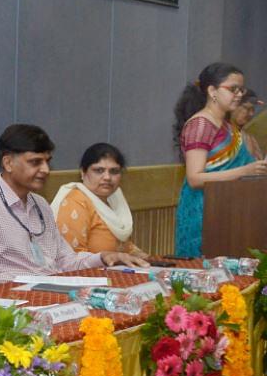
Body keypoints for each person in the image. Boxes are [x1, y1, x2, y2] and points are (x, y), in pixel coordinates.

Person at [0, 124, 148, 287]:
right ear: (8, 163)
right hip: (10, 305)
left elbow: (65, 260)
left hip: (51, 294)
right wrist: (39, 282)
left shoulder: (40, 204)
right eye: (35, 162)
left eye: (47, 161)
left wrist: (104, 257)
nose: (46, 170)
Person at [172, 63, 267, 257]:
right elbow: (195, 178)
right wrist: (245, 171)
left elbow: (247, 165)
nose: (239, 95)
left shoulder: (228, 127)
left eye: (241, 90)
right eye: (233, 89)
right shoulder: (200, 124)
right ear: (212, 91)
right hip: (204, 211)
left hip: (231, 209)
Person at [51, 143, 149, 258]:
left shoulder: (114, 199)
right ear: (83, 172)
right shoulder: (76, 202)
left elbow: (125, 246)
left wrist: (145, 258)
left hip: (116, 268)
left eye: (114, 171)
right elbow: (72, 258)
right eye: (99, 170)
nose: (107, 177)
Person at [230, 88, 264, 160]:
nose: (251, 114)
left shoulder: (249, 137)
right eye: (247, 108)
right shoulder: (221, 133)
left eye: (253, 110)